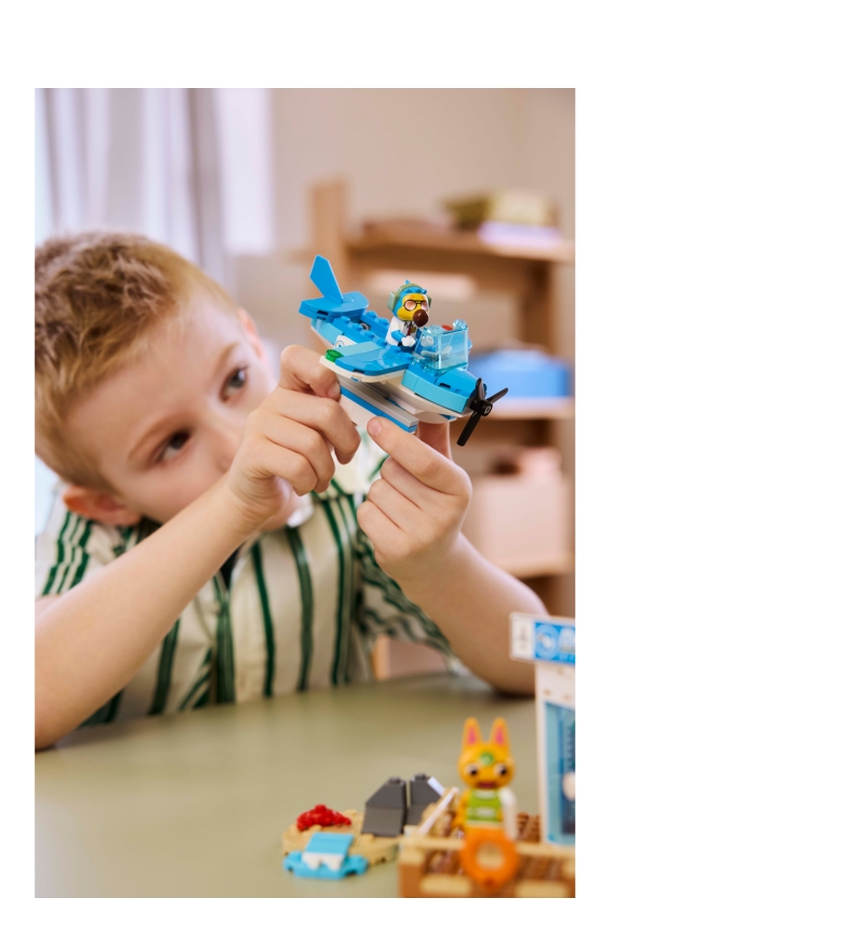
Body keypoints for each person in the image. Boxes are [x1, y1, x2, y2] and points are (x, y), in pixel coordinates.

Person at [34, 232, 545, 749]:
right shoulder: (89, 532)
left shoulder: (353, 485)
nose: (239, 440)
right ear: (107, 502)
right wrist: (233, 504)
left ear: (253, 341)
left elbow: (537, 667)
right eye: (172, 444)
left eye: (235, 380)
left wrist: (440, 563)